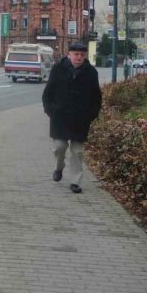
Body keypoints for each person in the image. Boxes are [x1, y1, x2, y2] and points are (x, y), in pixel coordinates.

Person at [41, 42, 102, 194]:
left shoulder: (91, 72)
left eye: (82, 55)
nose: (79, 57)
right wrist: (51, 110)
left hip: (80, 119)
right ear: (69, 54)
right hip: (60, 117)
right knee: (59, 147)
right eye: (76, 54)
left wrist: (91, 114)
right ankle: (59, 167)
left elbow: (96, 97)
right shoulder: (58, 69)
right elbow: (48, 92)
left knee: (77, 151)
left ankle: (75, 181)